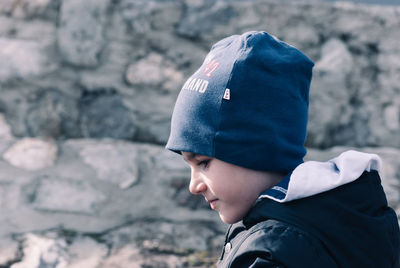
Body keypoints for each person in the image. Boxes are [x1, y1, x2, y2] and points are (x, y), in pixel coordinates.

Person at [166, 31, 400, 267]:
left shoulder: (273, 254)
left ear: (255, 150)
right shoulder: (346, 219)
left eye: (203, 162)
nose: (193, 186)